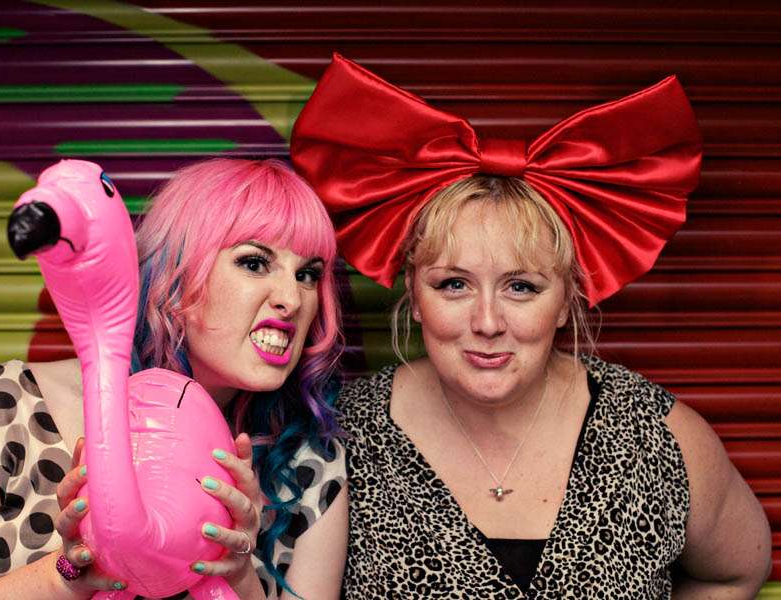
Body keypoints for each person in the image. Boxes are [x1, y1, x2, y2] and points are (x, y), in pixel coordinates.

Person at [290, 54, 772, 598]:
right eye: (454, 285)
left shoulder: (654, 435)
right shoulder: (339, 439)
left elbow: (737, 572)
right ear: (415, 295)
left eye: (521, 287)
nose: (487, 322)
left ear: (565, 300)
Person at [0, 158, 348, 600]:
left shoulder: (308, 465)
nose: (292, 298)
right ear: (176, 276)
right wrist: (66, 576)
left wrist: (238, 574)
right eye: (254, 263)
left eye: (308, 274)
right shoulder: (9, 406)